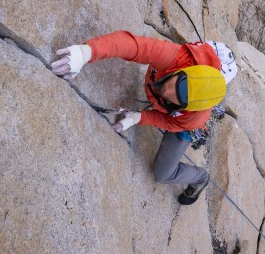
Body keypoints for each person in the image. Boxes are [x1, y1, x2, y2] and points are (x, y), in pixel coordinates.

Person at [50, 30, 238, 204]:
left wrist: (141, 118)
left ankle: (200, 178)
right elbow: (134, 46)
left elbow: (170, 123)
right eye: (178, 83)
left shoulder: (193, 118)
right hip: (182, 88)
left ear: (188, 107)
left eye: (178, 97)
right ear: (185, 72)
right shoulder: (176, 57)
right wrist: (87, 52)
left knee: (162, 173)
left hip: (183, 124)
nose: (168, 90)